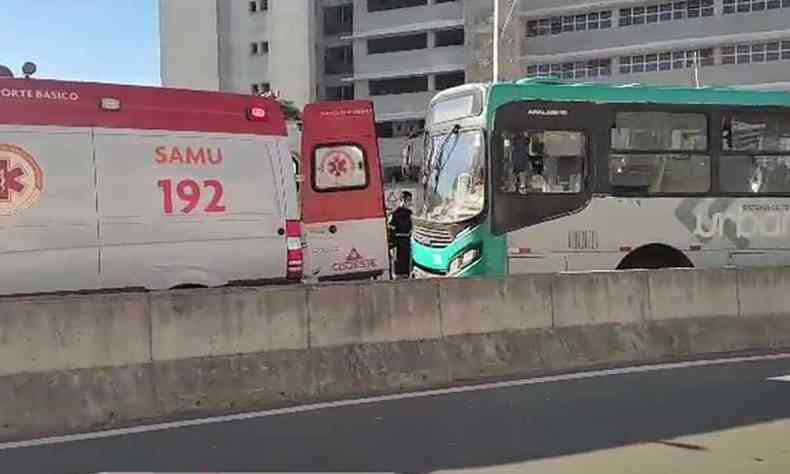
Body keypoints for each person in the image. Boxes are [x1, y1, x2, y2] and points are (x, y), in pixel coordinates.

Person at [389, 191, 413, 279]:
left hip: (407, 240)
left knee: (407, 260)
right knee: (398, 261)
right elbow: (391, 228)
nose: (409, 202)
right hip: (398, 241)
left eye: (410, 200)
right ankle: (398, 276)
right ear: (402, 200)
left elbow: (412, 227)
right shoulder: (395, 213)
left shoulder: (410, 213)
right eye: (408, 200)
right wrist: (392, 244)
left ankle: (407, 274)